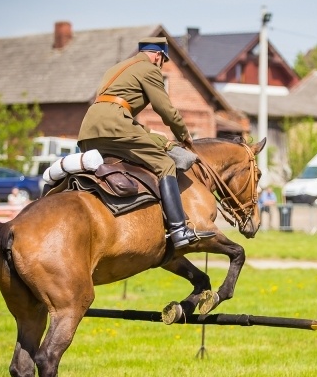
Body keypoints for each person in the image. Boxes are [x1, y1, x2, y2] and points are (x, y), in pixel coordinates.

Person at [77, 37, 214, 249]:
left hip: (88, 130)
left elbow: (126, 119)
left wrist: (161, 140)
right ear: (158, 56)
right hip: (115, 126)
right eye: (163, 61)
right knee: (165, 165)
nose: (161, 66)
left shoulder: (116, 69)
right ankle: (179, 229)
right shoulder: (149, 69)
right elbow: (166, 110)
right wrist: (183, 132)